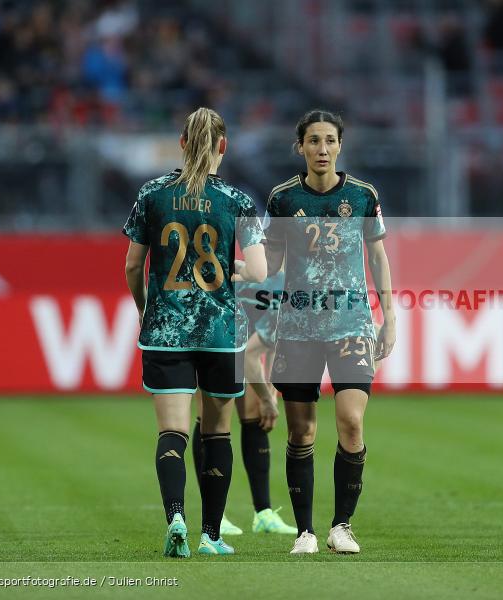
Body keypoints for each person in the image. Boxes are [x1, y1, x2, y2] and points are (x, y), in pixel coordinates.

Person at [237, 109, 397, 555]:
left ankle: (341, 526)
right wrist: (236, 270)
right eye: (313, 141)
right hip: (298, 328)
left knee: (351, 421)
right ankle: (305, 531)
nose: (322, 149)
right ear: (301, 147)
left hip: (351, 325)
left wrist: (390, 317)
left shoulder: (364, 196)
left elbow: (379, 258)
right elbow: (270, 262)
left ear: (340, 145)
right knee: (301, 433)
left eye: (329, 141)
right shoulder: (283, 199)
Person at [123, 106, 266, 558]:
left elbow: (131, 265)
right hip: (221, 332)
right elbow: (260, 270)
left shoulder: (152, 193)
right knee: (218, 434)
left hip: (166, 330)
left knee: (173, 433)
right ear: (223, 147)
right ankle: (211, 535)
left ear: (181, 144)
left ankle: (176, 519)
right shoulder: (237, 199)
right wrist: (233, 270)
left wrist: (146, 307)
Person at [190, 270, 297, 537]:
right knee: (210, 420)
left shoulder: (289, 281)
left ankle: (263, 513)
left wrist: (271, 393)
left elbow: (274, 342)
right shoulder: (250, 268)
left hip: (248, 346)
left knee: (254, 418)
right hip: (217, 338)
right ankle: (215, 514)